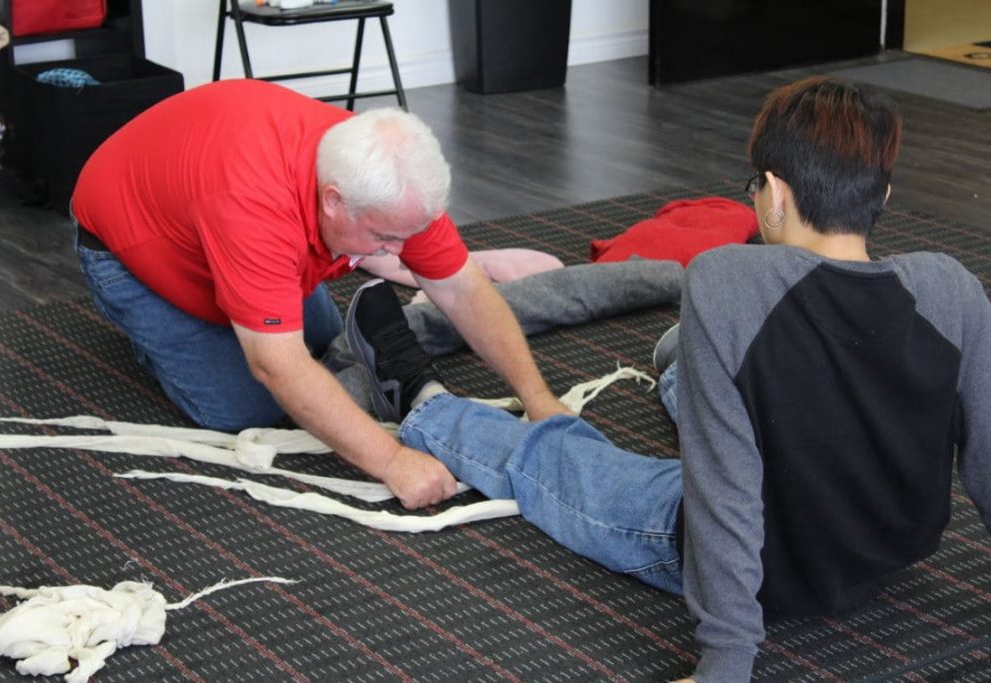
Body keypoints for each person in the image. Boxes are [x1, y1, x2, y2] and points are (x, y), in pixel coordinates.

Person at [344, 76, 991, 683]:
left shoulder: (729, 282)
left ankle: (424, 403)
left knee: (560, 459)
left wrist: (727, 663)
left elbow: (725, 487)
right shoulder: (951, 287)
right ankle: (684, 372)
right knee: (706, 359)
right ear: (882, 195)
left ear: (775, 192)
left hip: (764, 563)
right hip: (887, 550)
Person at [70, 79, 569, 511]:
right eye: (384, 240)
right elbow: (277, 366)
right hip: (124, 246)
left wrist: (539, 397)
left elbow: (464, 289)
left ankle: (244, 307)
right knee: (246, 409)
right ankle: (149, 331)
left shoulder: (389, 179)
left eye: (403, 239)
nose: (400, 254)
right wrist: (392, 461)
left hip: (221, 207)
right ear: (333, 201)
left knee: (327, 346)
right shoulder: (255, 209)